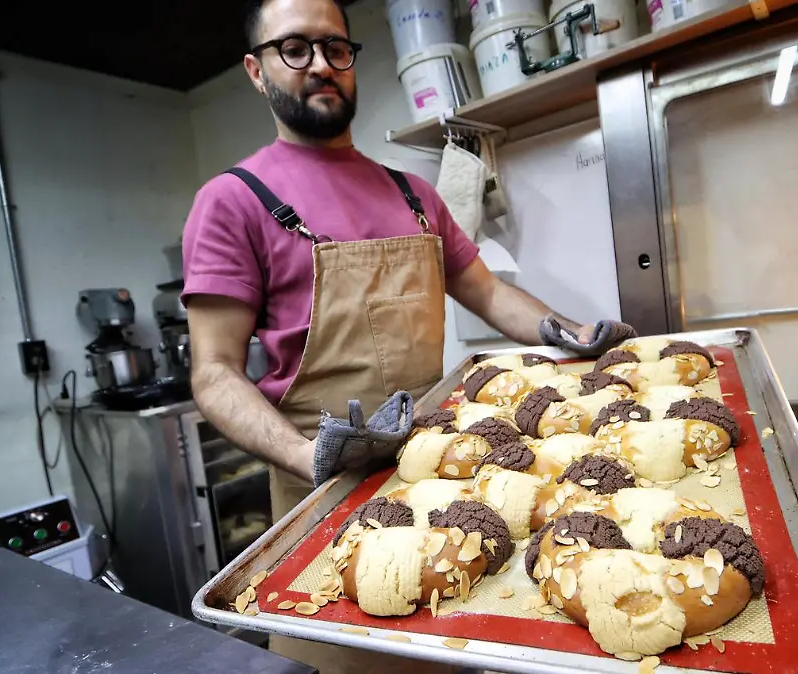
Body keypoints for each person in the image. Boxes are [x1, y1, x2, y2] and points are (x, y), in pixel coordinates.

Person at [180, 0, 632, 668]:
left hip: (444, 468)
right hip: (321, 492)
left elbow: (488, 292)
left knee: (458, 642)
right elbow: (214, 372)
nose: (321, 66)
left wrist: (570, 332)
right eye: (295, 49)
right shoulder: (234, 199)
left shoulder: (414, 192)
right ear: (256, 69)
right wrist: (313, 458)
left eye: (336, 48)